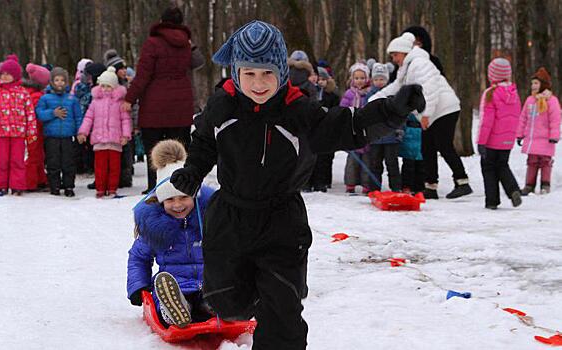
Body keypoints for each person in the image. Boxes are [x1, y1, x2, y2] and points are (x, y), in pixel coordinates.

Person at [168, 20, 424, 349]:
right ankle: (255, 299)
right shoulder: (222, 105)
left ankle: (274, 310)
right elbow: (204, 144)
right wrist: (193, 171)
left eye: (267, 74)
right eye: (249, 73)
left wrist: (392, 110)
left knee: (283, 316)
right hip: (230, 219)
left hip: (281, 223)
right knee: (226, 303)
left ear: (281, 72)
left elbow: (348, 126)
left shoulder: (298, 110)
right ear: (236, 72)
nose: (258, 83)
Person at [370, 32, 472, 199]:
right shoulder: (407, 68)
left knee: (444, 145)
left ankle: (462, 182)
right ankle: (431, 186)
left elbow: (430, 88)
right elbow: (396, 88)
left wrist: (426, 114)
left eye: (395, 55)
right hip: (434, 112)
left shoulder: (419, 63)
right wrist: (374, 99)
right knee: (427, 148)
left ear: (403, 52)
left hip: (444, 109)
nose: (394, 59)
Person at [127, 140, 214, 328]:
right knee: (166, 292)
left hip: (210, 281)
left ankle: (212, 305)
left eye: (184, 197)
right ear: (161, 202)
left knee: (215, 291)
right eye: (170, 200)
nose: (178, 205)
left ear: (195, 196)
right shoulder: (154, 227)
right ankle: (174, 311)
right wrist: (138, 286)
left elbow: (231, 250)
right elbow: (139, 257)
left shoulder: (209, 219)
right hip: (174, 284)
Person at [124, 6, 204, 194]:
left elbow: (143, 75)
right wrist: (190, 45)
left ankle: (155, 188)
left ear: (161, 21)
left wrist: (129, 98)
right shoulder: (185, 44)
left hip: (154, 106)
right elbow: (198, 63)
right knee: (180, 149)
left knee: (154, 150)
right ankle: (181, 186)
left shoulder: (152, 43)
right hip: (181, 105)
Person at [0, 55, 37, 195]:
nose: (5, 76)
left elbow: (30, 113)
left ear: (15, 76)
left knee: (17, 160)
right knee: (2, 160)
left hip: (19, 133)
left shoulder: (23, 93)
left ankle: (17, 185)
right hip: (2, 133)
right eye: (3, 74)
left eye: (8, 74)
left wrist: (31, 132)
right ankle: (2, 185)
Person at [77, 67, 132, 198]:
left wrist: (125, 135)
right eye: (103, 86)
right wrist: (83, 132)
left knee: (114, 167)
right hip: (99, 140)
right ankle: (100, 189)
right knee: (100, 167)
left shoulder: (120, 103)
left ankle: (112, 188)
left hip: (115, 141)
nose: (105, 89)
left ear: (114, 87)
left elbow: (125, 120)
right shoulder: (95, 102)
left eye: (109, 86)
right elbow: (88, 118)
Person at [477, 58, 523, 209]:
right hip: (507, 140)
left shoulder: (491, 93)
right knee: (502, 165)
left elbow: (486, 121)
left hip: (491, 141)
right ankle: (513, 189)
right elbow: (517, 116)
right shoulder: (514, 94)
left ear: (492, 75)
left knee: (488, 168)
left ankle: (492, 201)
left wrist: (481, 142)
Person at [36, 67, 83, 197]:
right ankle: (54, 186)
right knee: (53, 162)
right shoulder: (45, 98)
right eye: (56, 80)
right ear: (52, 81)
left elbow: (78, 117)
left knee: (68, 162)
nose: (60, 83)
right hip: (52, 136)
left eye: (62, 80)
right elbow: (39, 114)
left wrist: (80, 132)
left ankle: (68, 186)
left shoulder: (72, 99)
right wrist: (53, 113)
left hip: (68, 136)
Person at [517, 67, 561, 195]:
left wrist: (554, 136)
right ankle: (529, 185)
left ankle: (545, 184)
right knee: (532, 162)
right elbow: (523, 118)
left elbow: (555, 120)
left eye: (536, 83)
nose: (533, 86)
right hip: (532, 139)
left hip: (546, 139)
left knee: (545, 162)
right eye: (532, 83)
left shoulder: (552, 101)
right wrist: (520, 134)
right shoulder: (530, 100)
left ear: (543, 85)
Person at [367, 63, 402, 192]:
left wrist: (399, 130)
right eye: (376, 79)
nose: (379, 82)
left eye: (382, 79)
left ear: (387, 80)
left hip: (391, 137)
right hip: (375, 138)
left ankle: (396, 188)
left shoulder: (393, 95)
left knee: (392, 164)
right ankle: (374, 189)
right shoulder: (370, 96)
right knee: (375, 164)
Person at [303, 67, 340, 192]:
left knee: (323, 159)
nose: (320, 81)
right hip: (310, 130)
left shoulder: (332, 95)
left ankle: (321, 182)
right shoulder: (308, 92)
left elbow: (336, 111)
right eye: (318, 79)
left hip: (325, 130)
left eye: (323, 79)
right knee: (309, 158)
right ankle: (307, 182)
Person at [341, 62, 371, 194]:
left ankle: (367, 184)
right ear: (352, 79)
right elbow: (343, 109)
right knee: (352, 160)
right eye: (357, 78)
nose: (359, 81)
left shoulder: (369, 94)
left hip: (366, 131)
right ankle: (350, 184)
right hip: (352, 130)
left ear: (367, 79)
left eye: (362, 78)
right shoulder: (349, 94)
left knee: (367, 159)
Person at [104, 49, 133, 188]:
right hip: (112, 126)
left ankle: (125, 177)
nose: (124, 71)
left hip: (124, 123)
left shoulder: (126, 85)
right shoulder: (108, 86)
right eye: (121, 68)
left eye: (125, 68)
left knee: (126, 152)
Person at [75, 62, 106, 177]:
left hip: (98, 125)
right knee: (84, 148)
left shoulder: (101, 90)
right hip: (85, 123)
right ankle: (85, 167)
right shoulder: (83, 88)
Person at [23, 63, 51, 192]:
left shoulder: (33, 93)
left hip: (37, 130)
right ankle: (30, 182)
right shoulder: (36, 96)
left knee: (39, 155)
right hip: (34, 130)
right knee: (34, 155)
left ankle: (40, 179)